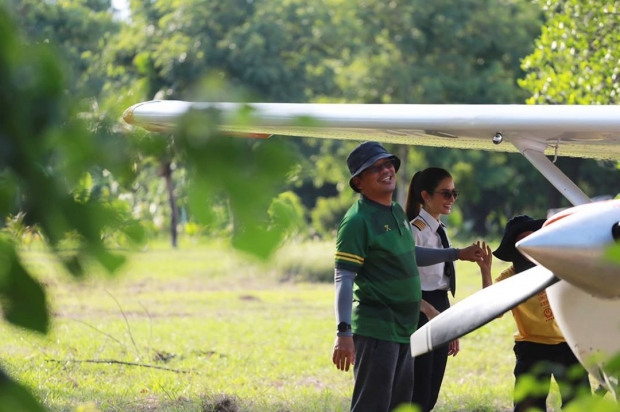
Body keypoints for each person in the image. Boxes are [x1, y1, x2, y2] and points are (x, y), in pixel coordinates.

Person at [331, 141, 483, 412]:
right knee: (373, 405)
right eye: (375, 168)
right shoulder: (357, 221)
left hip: (405, 327)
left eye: (388, 164)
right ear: (358, 182)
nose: (386, 170)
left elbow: (410, 253)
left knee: (402, 405)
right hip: (378, 329)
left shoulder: (396, 212)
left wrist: (457, 254)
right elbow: (344, 278)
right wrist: (343, 332)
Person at [478, 215, 591, 412]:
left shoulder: (559, 265)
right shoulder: (510, 277)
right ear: (515, 248)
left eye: (533, 238)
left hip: (569, 344)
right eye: (522, 241)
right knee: (528, 407)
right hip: (531, 347)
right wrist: (485, 271)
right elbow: (493, 310)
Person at [404, 167, 487, 412]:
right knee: (418, 386)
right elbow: (406, 277)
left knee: (432, 387)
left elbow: (442, 284)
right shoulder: (414, 230)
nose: (451, 199)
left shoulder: (441, 230)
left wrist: (450, 327)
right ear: (426, 196)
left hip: (440, 305)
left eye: (454, 193)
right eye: (445, 193)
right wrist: (428, 310)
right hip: (421, 307)